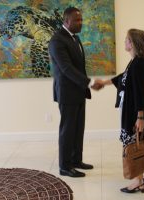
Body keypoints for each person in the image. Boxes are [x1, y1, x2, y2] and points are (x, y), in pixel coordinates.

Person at [94, 29, 144, 192]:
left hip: (135, 111)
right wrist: (104, 83)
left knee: (132, 142)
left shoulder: (138, 64)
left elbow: (140, 92)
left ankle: (139, 181)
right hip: (134, 108)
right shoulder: (136, 62)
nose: (124, 42)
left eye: (126, 40)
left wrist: (140, 117)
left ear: (133, 43)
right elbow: (122, 78)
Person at [49, 7, 99, 177]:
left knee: (78, 129)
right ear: (67, 21)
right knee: (68, 130)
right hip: (67, 93)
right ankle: (65, 166)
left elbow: (78, 66)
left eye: (81, 20)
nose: (81, 23)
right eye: (77, 20)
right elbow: (66, 68)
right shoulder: (57, 40)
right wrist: (89, 82)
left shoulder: (75, 38)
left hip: (78, 91)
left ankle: (76, 160)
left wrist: (84, 85)